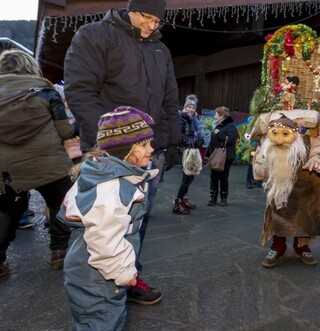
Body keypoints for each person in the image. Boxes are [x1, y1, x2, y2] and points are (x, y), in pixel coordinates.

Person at [64, 0, 179, 304]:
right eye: (146, 16)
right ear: (130, 8)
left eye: (158, 21)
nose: (152, 25)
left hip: (148, 151)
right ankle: (95, 285)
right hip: (109, 154)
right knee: (103, 221)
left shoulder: (160, 50)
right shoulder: (95, 36)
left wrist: (173, 140)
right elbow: (80, 91)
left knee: (136, 219)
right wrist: (111, 141)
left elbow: (170, 97)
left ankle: (129, 277)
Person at [58, 106, 160, 330]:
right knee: (104, 321)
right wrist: (124, 273)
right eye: (143, 145)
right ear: (123, 150)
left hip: (90, 270)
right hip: (100, 276)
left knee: (93, 321)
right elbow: (104, 240)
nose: (151, 149)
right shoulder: (112, 187)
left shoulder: (103, 174)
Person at [0, 49, 74, 277]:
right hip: (49, 163)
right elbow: (65, 131)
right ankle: (59, 252)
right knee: (59, 204)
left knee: (6, 211)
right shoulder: (45, 90)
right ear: (30, 66)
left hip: (7, 170)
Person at [253, 115, 320, 268]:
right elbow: (258, 163)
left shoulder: (308, 141)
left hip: (304, 189)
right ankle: (278, 247)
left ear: (295, 133)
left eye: (285, 134)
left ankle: (301, 246)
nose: (279, 140)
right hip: (279, 189)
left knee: (304, 217)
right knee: (278, 216)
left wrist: (316, 160)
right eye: (274, 133)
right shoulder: (267, 145)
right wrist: (263, 169)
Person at [173, 95, 202, 215]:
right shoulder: (182, 118)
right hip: (186, 150)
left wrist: (199, 140)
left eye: (193, 107)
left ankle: (184, 199)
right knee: (187, 178)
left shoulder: (194, 119)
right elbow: (179, 135)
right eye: (189, 106)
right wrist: (192, 141)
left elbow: (196, 134)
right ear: (185, 107)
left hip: (193, 150)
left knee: (190, 177)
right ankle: (177, 203)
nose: (191, 109)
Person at [205, 106, 238, 206]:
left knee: (223, 177)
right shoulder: (218, 125)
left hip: (226, 156)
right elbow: (212, 142)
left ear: (222, 115)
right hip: (215, 155)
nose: (215, 116)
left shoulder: (230, 126)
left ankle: (223, 198)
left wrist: (219, 134)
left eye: (216, 114)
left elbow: (231, 140)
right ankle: (213, 198)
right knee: (214, 176)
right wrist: (208, 153)